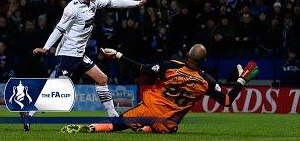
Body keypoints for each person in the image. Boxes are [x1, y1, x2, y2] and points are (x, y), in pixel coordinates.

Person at [25, 0, 154, 131]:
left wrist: (139, 3)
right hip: (68, 55)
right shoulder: (71, 9)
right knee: (56, 92)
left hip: (80, 54)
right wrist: (45, 47)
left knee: (102, 79)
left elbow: (114, 2)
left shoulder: (95, 1)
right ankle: (28, 114)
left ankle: (113, 117)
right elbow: (59, 29)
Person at [61, 44, 259, 134]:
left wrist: (119, 55)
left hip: (147, 111)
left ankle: (92, 128)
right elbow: (226, 100)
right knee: (166, 128)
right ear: (204, 61)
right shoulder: (205, 81)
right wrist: (241, 81)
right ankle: (146, 130)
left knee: (116, 125)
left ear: (187, 54)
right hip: (168, 124)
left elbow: (142, 69)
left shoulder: (170, 66)